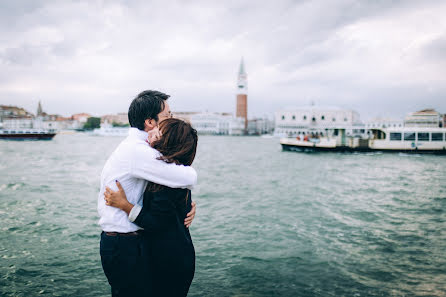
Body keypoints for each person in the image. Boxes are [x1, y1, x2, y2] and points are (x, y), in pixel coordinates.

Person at [98, 90, 197, 297]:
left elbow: (168, 188)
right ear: (150, 122)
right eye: (167, 115)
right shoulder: (139, 151)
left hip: (128, 242)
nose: (171, 119)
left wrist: (186, 207)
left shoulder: (139, 148)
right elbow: (188, 177)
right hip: (124, 244)